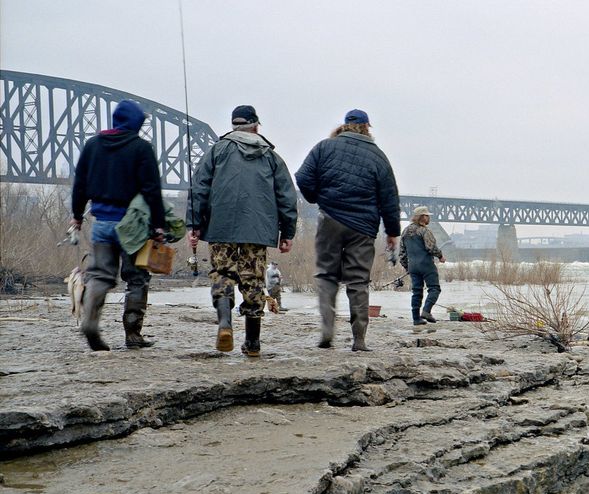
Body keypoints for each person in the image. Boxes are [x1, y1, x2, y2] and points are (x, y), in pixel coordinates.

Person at [188, 105, 298, 357]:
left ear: (233, 125)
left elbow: (199, 189)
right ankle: (253, 343)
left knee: (222, 273)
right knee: (252, 281)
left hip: (221, 227)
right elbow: (286, 197)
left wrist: (193, 224)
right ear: (256, 126)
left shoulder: (216, 151)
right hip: (258, 231)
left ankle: (225, 323)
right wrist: (287, 233)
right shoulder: (272, 157)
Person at [296, 109, 401, 351]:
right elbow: (389, 198)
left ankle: (327, 329)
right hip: (363, 228)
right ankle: (359, 339)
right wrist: (392, 232)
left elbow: (303, 178)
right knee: (358, 281)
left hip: (330, 220)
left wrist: (317, 198)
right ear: (367, 127)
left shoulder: (324, 147)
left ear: (345, 126)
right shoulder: (378, 156)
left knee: (325, 275)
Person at [69, 99, 166, 351]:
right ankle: (133, 334)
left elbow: (80, 184)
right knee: (136, 278)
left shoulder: (93, 145)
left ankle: (90, 322)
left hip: (101, 223)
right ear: (135, 122)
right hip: (132, 227)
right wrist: (158, 226)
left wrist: (77, 216)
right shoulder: (141, 148)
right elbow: (152, 190)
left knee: (100, 275)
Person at [400, 205, 444, 325]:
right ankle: (426, 311)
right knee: (434, 288)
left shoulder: (405, 232)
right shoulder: (424, 231)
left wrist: (407, 267)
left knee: (417, 292)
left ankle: (416, 319)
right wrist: (440, 256)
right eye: (427, 216)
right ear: (422, 217)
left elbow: (402, 253)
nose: (428, 218)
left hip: (413, 266)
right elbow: (431, 247)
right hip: (426, 264)